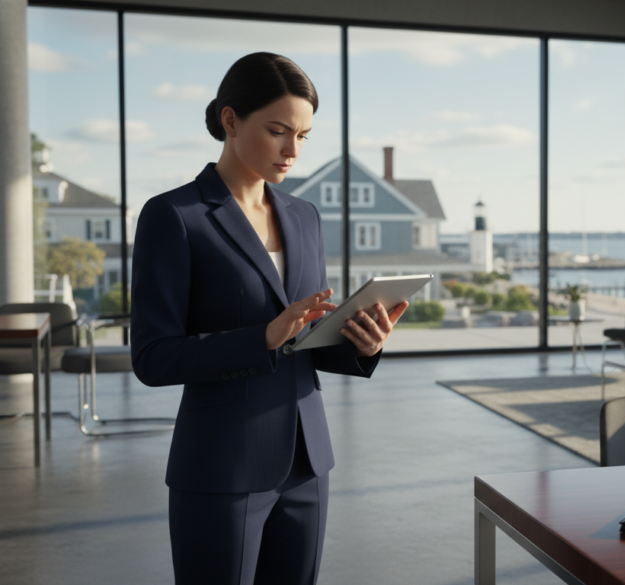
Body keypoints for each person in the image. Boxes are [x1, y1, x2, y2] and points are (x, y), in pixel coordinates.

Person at [130, 52, 407, 585]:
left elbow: (304, 340)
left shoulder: (303, 216)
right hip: (221, 466)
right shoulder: (174, 216)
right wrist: (261, 337)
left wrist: (360, 344)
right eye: (278, 131)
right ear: (230, 120)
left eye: (303, 136)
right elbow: (152, 356)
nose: (292, 151)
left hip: (308, 463)